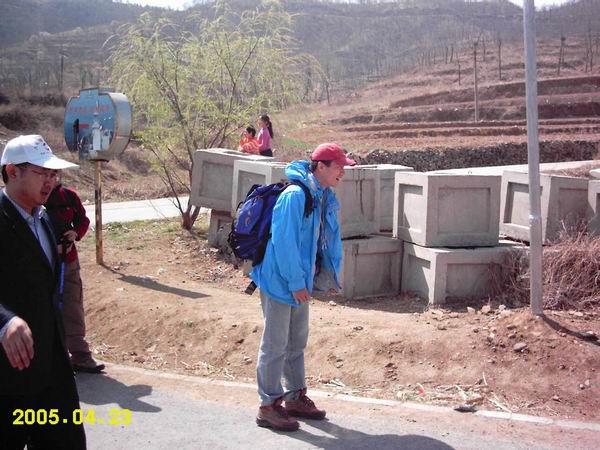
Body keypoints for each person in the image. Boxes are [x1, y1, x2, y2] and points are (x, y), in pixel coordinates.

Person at [251, 142, 356, 432]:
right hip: (280, 280)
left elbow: (322, 241)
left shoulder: (321, 195)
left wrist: (324, 278)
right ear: (321, 166)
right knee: (275, 345)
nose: (343, 172)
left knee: (296, 342)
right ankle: (268, 406)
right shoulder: (295, 196)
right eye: (339, 167)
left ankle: (294, 397)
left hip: (300, 281)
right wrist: (296, 283)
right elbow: (283, 243)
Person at [0, 135, 87, 449]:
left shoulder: (46, 218)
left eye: (54, 174)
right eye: (42, 173)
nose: (51, 182)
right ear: (13, 171)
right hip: (7, 378)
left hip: (51, 370)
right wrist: (5, 321)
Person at [45, 180, 105, 374]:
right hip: (43, 264)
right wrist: (51, 247)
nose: (52, 177)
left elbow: (83, 220)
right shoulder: (32, 198)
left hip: (69, 261)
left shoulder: (69, 196)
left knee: (73, 307)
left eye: (55, 173)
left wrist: (75, 233)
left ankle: (80, 356)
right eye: (47, 173)